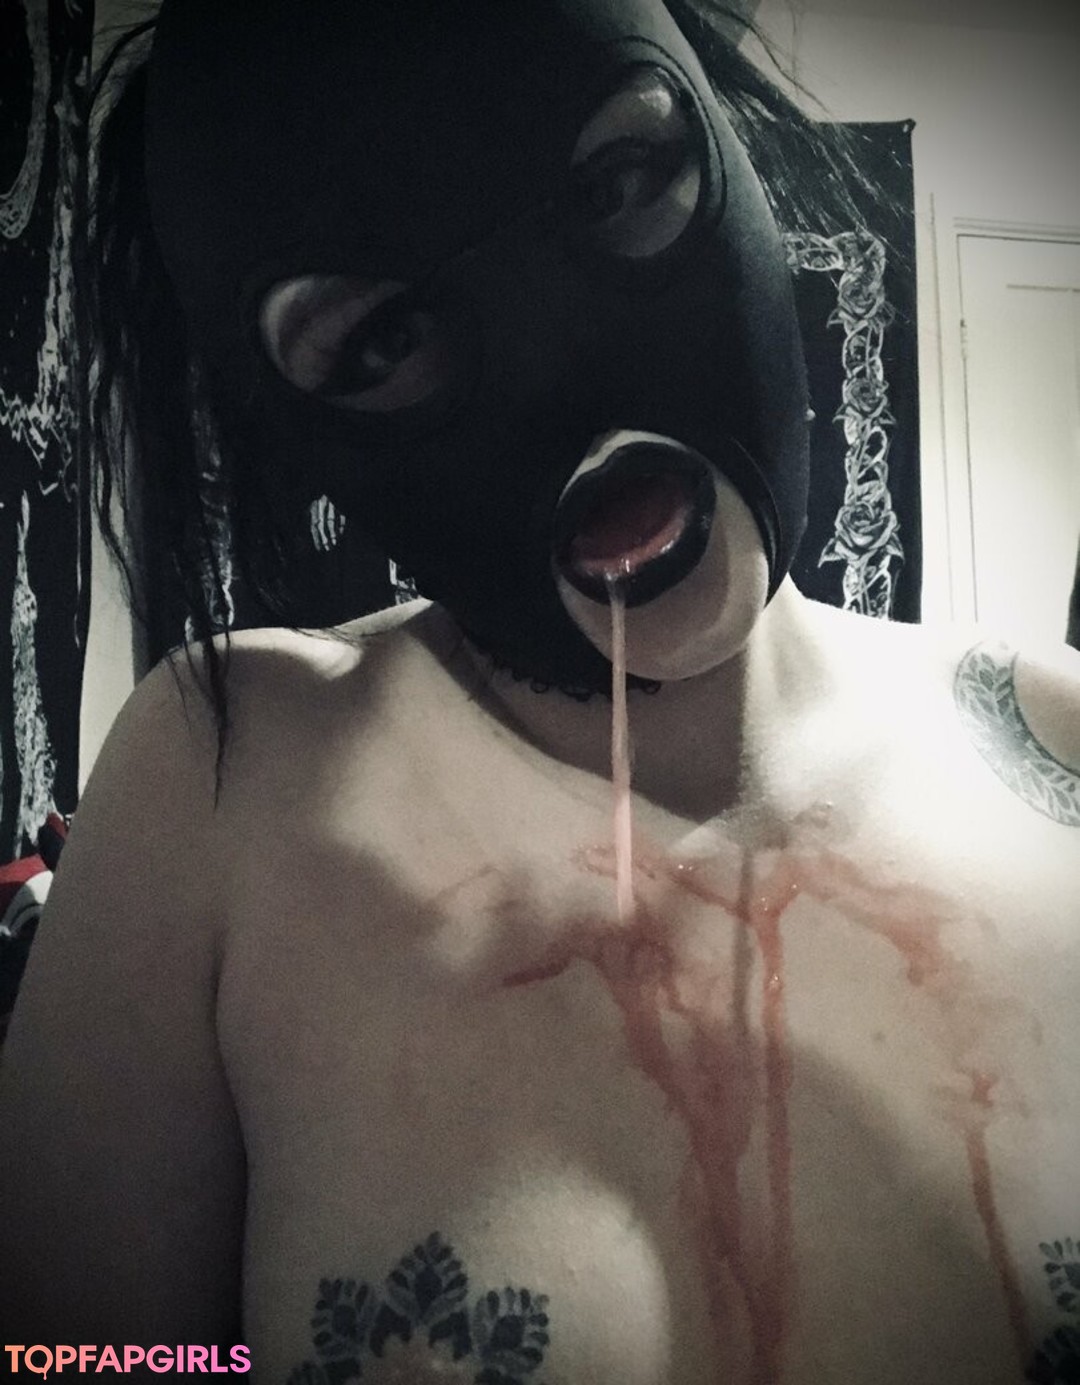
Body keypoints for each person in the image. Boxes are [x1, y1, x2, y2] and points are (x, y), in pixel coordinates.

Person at [1, 2, 1078, 1382]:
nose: (565, 368)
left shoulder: (1058, 756)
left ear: (731, 143)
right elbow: (71, 1361)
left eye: (618, 184)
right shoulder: (224, 796)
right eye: (383, 337)